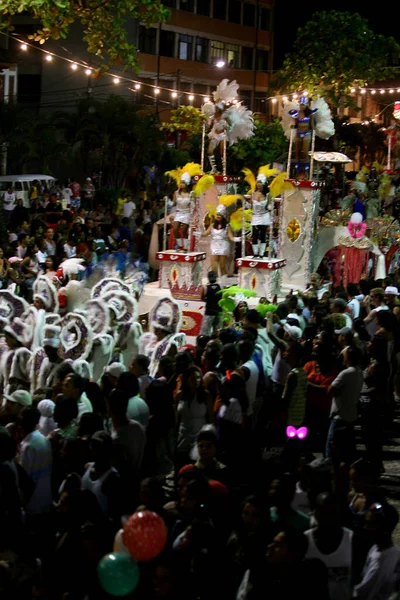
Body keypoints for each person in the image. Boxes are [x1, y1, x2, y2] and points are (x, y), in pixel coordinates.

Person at [305, 492, 353, 600]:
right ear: (315, 513)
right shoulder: (305, 540)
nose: (328, 516)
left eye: (331, 511)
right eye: (323, 511)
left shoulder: (352, 539)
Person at [354, 502, 400, 599]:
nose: (365, 527)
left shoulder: (379, 565)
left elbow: (361, 594)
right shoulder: (389, 549)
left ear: (384, 529)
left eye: (370, 525)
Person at [326, 346, 364, 460]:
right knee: (347, 449)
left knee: (331, 446)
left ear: (347, 357)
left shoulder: (346, 373)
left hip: (340, 415)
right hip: (351, 414)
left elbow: (330, 389)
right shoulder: (359, 371)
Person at [19, 406, 53, 515]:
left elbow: (25, 478)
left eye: (21, 417)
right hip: (45, 496)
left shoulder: (28, 446)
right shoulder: (43, 439)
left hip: (33, 502)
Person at [201, 204, 235, 287]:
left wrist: (238, 239)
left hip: (223, 246)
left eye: (220, 215)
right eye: (217, 214)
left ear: (223, 216)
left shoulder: (227, 226)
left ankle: (224, 284)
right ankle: (215, 284)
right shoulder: (212, 225)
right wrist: (197, 233)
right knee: (214, 267)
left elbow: (231, 237)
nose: (218, 216)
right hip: (214, 246)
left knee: (222, 266)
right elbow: (205, 233)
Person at [247, 171, 272, 259]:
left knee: (262, 235)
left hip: (264, 215)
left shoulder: (268, 194)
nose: (259, 185)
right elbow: (250, 205)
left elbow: (270, 204)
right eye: (258, 183)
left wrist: (269, 207)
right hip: (255, 216)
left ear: (264, 184)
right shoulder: (253, 194)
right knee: (255, 234)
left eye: (261, 183)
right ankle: (255, 253)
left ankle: (261, 254)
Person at [200, 271, 222, 336]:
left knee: (206, 332)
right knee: (218, 332)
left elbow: (202, 298)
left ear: (208, 278)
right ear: (216, 277)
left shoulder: (205, 287)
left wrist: (208, 300)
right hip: (219, 312)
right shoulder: (221, 286)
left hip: (209, 312)